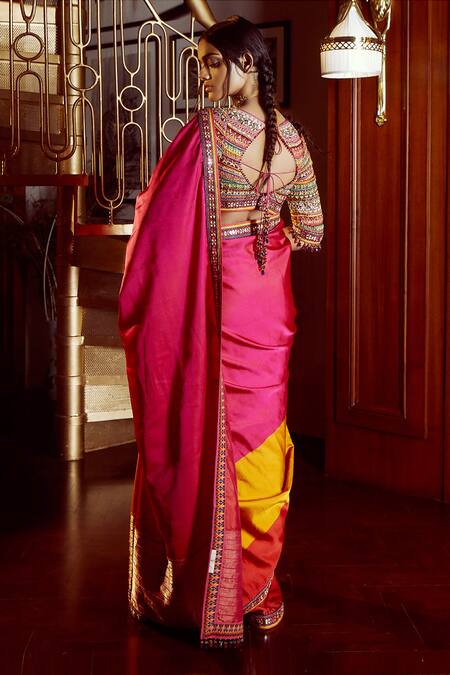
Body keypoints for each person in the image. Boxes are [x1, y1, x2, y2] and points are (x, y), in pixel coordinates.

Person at [118, 15, 324, 649]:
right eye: (201, 63)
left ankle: (215, 586)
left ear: (246, 64)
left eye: (213, 62)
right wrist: (268, 233)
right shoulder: (293, 139)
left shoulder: (206, 135)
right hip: (268, 299)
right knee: (258, 435)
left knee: (212, 432)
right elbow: (312, 231)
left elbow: (156, 220)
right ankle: (258, 586)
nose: (204, 75)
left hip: (223, 297)